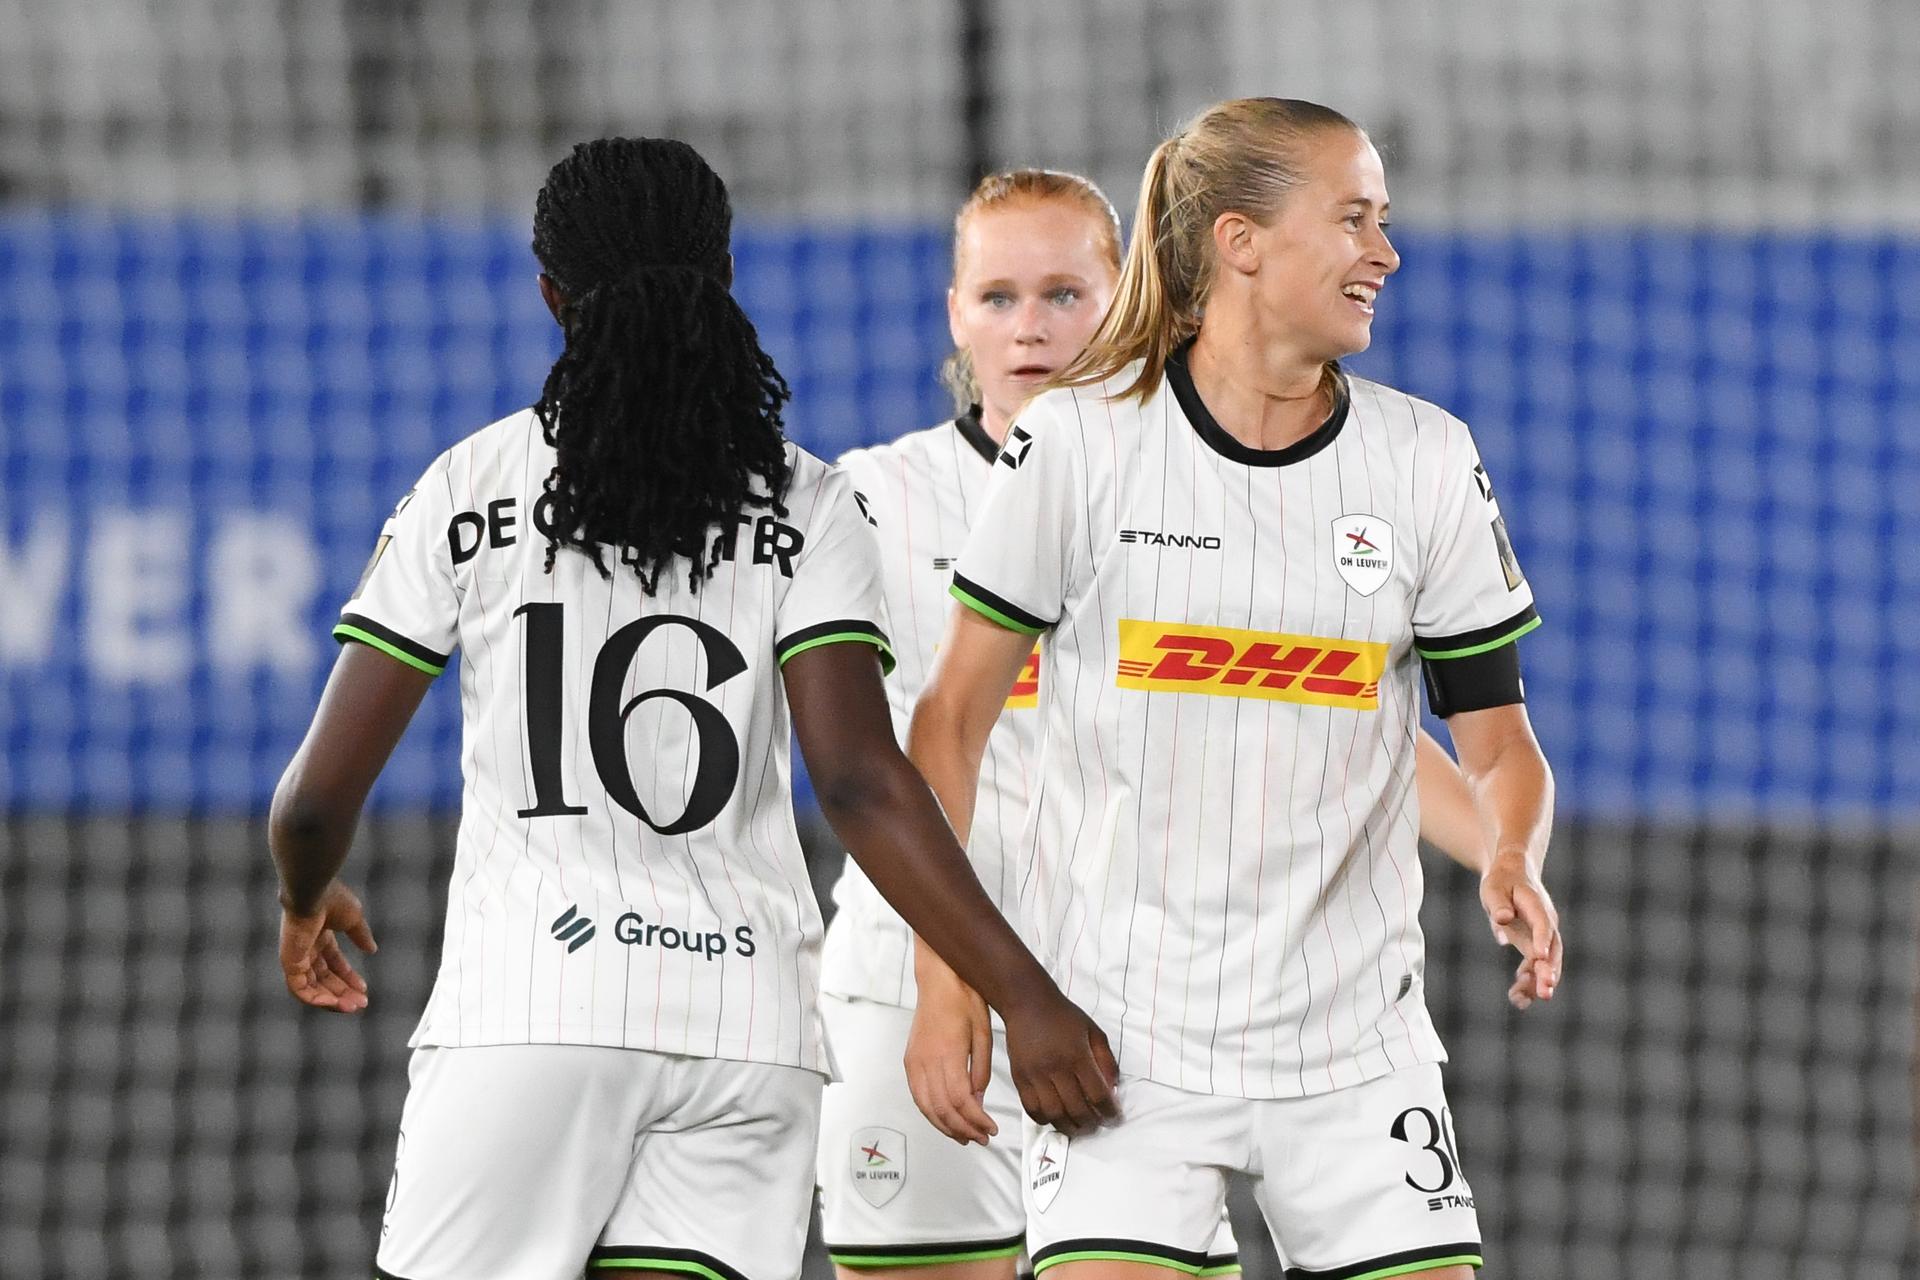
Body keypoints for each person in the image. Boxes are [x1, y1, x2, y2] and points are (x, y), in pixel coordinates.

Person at [266, 136, 1114, 1280]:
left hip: (527, 1014)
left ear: (551, 295)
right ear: (722, 277)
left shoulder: (471, 486)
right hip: (745, 1034)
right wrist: (1024, 991)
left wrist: (305, 892)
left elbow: (316, 798)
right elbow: (863, 780)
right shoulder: (808, 499)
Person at [816, 164, 1550, 1280]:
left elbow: (1323, 707)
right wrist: (942, 978)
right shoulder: (869, 499)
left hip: (1132, 1002)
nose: (1031, 326)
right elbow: (897, 744)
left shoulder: (1171, 464)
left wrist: (1501, 848)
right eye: (997, 297)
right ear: (953, 313)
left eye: (1065, 293)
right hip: (915, 974)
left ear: (1125, 295)